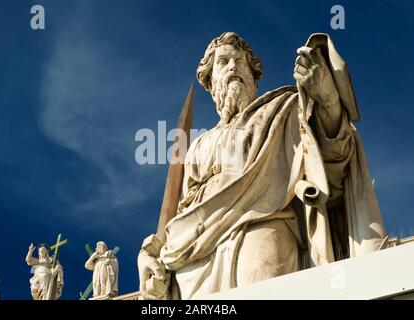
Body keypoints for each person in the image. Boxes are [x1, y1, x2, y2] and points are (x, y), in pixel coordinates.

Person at [138, 32, 387, 299]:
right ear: (211, 83)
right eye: (223, 62)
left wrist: (328, 101)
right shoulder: (198, 146)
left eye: (239, 61)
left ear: (253, 76)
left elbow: (332, 158)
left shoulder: (280, 111)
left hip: (263, 226)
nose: (233, 66)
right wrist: (150, 255)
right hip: (193, 256)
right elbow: (180, 214)